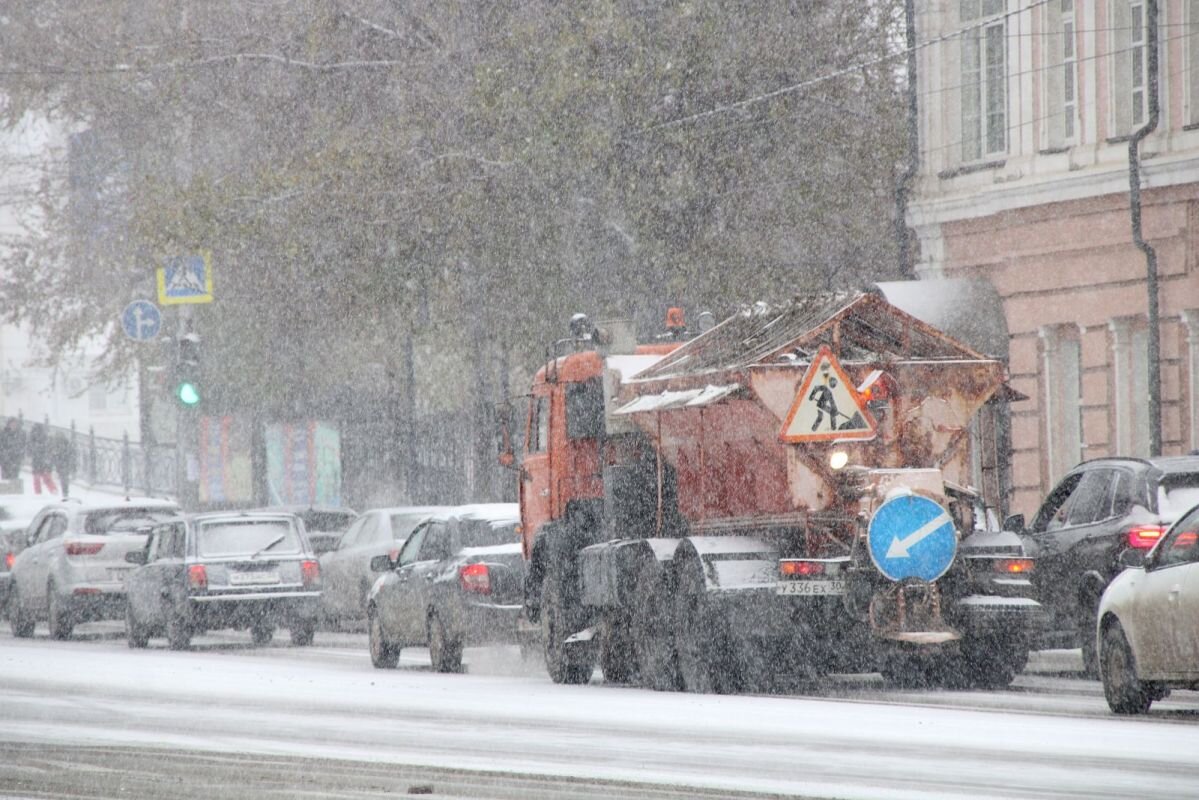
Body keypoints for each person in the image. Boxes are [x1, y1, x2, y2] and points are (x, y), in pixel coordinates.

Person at [28, 423, 57, 495]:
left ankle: (38, 493)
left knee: (37, 479)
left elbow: (29, 451)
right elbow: (50, 450)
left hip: (37, 462)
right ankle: (53, 490)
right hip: (44, 462)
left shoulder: (32, 439)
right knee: (46, 478)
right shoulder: (46, 439)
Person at [51, 431, 76, 497]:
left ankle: (65, 492)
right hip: (64, 463)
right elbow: (71, 453)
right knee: (64, 478)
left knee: (63, 478)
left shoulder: (57, 444)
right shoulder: (66, 443)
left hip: (61, 464)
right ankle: (65, 492)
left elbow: (54, 455)